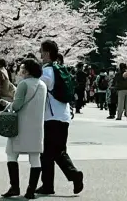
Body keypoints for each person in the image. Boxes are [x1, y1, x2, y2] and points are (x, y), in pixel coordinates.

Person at [36, 40, 84, 196]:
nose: (40, 54)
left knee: (50, 152)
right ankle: (49, 185)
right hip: (63, 115)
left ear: (48, 53)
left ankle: (72, 175)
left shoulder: (47, 72)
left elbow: (37, 92)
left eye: (42, 51)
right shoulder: (61, 69)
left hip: (51, 117)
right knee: (56, 151)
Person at [1, 58, 47, 199]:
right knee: (35, 157)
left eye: (22, 68)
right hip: (37, 126)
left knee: (12, 154)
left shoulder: (23, 84)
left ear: (27, 70)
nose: (20, 71)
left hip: (20, 124)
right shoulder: (42, 85)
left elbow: (17, 105)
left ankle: (15, 187)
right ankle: (30, 190)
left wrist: (7, 105)